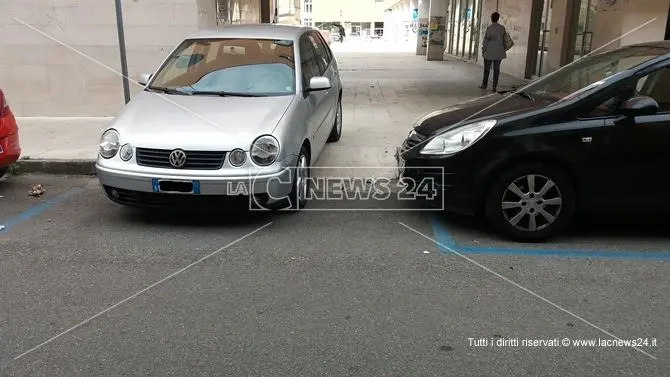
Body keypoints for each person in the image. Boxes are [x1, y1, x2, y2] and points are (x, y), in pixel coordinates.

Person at [480, 12, 507, 92]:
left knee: (487, 69)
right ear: (498, 18)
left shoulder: (489, 28)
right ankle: (494, 87)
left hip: (489, 52)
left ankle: (484, 85)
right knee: (496, 69)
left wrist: (483, 50)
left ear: (492, 19)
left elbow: (486, 41)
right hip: (499, 52)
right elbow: (504, 39)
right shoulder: (502, 28)